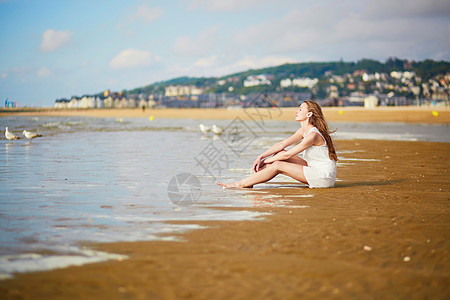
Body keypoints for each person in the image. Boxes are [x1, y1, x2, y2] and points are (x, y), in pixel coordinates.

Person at [217, 100, 338, 188]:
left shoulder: (313, 135)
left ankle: (241, 184)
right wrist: (261, 157)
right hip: (313, 167)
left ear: (309, 114)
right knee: (280, 152)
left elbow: (286, 157)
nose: (297, 111)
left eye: (300, 109)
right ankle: (250, 182)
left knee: (278, 164)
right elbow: (281, 145)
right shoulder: (303, 131)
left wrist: (265, 161)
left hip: (323, 176)